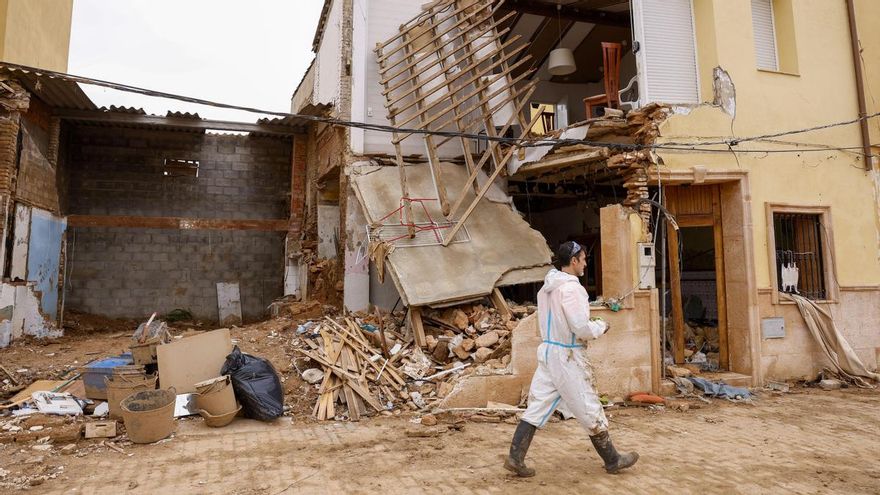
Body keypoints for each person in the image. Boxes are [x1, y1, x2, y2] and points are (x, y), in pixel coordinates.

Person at [504, 241, 639, 477]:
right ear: (574, 261)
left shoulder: (547, 288)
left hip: (549, 351)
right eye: (583, 259)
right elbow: (580, 328)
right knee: (588, 405)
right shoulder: (572, 289)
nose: (586, 264)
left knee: (537, 405)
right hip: (568, 355)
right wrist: (600, 326)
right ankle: (612, 459)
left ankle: (515, 457)